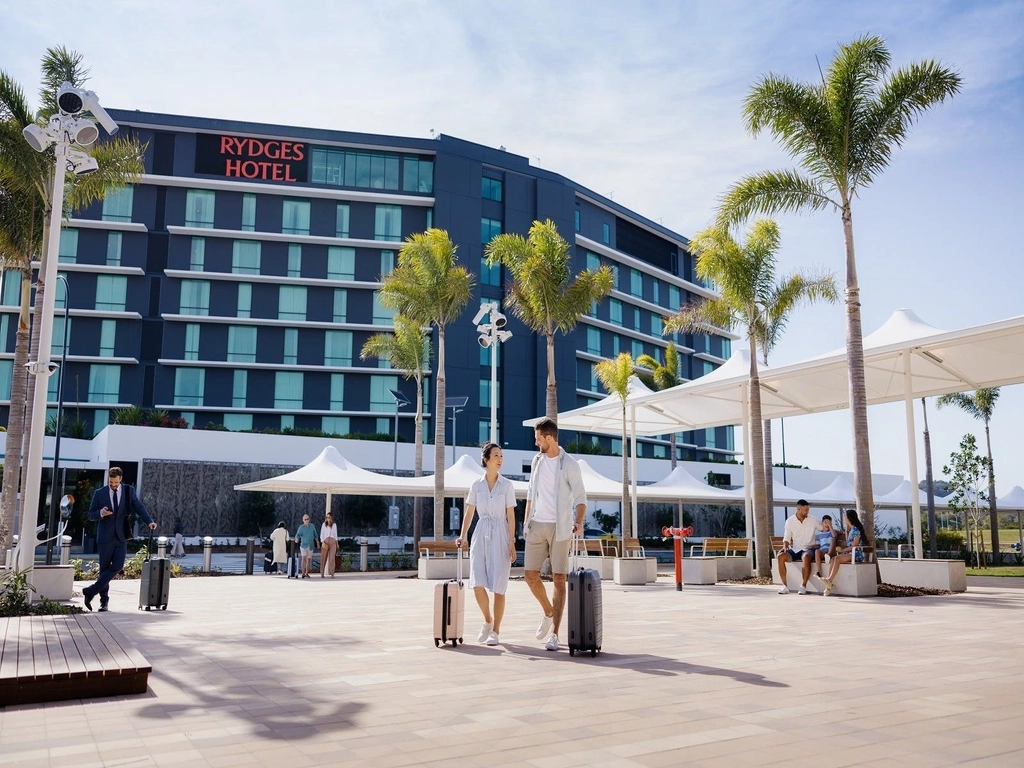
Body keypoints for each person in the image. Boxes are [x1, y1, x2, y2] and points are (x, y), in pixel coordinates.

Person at [523, 418, 587, 652]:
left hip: (560, 528)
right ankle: (549, 611)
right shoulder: (537, 461)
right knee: (530, 576)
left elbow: (581, 498)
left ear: (549, 438)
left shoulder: (569, 464)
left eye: (538, 438)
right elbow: (531, 493)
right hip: (537, 525)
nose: (536, 441)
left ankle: (555, 635)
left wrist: (578, 522)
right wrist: (526, 520)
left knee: (559, 580)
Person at [456, 442, 517, 646]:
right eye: (496, 455)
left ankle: (496, 631)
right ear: (486, 459)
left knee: (499, 586)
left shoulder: (507, 485)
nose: (500, 459)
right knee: (477, 583)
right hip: (481, 533)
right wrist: (462, 536)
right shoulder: (476, 485)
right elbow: (469, 512)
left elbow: (510, 515)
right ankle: (487, 620)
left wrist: (511, 541)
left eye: (501, 456)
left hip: (500, 533)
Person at [83, 467, 157, 612]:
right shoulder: (100, 493)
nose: (113, 485)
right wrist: (101, 513)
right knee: (104, 570)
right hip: (105, 537)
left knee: (118, 566)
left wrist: (149, 521)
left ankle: (90, 591)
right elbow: (90, 515)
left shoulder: (129, 491)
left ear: (120, 479)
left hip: (121, 536)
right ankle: (104, 602)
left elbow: (139, 507)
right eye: (111, 482)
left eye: (116, 482)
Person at [777, 499, 821, 595]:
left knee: (806, 557)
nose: (807, 512)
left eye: (808, 510)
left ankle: (803, 586)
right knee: (780, 556)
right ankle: (784, 586)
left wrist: (829, 526)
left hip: (809, 549)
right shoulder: (790, 521)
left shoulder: (813, 519)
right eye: (806, 510)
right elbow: (787, 537)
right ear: (799, 509)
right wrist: (785, 547)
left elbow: (823, 529)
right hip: (795, 549)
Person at [822, 509, 867, 597]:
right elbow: (847, 542)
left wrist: (842, 550)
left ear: (849, 518)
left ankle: (829, 580)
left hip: (856, 554)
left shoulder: (856, 530)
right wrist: (846, 530)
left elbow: (855, 545)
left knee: (837, 558)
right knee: (833, 559)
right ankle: (828, 582)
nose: (844, 518)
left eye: (845, 517)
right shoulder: (851, 530)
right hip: (850, 554)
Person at [320, 512, 339, 578]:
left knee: (332, 558)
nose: (328, 519)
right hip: (325, 542)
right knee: (323, 558)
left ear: (331, 518)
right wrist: (322, 542)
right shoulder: (323, 525)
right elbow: (321, 534)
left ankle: (332, 573)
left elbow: (335, 535)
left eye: (329, 517)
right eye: (327, 517)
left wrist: (337, 543)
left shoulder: (334, 525)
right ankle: (322, 573)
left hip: (333, 542)